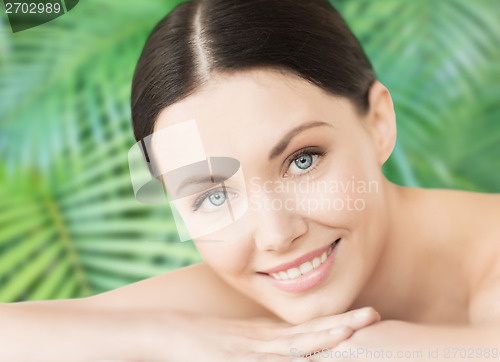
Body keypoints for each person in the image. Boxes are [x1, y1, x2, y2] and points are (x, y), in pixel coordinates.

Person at [1, 0, 499, 361]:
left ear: (379, 124)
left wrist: (369, 351)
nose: (277, 235)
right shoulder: (259, 290)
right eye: (213, 194)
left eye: (302, 160)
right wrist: (161, 337)